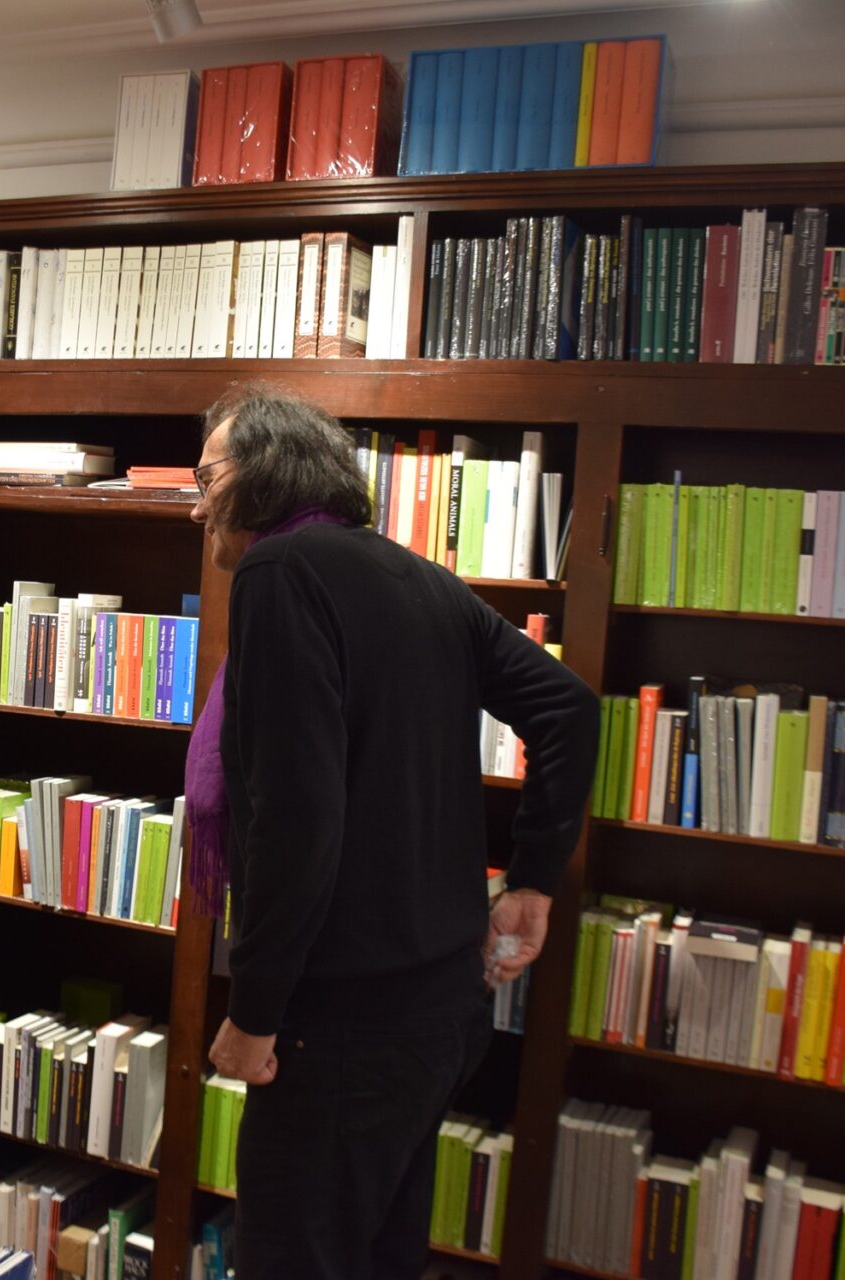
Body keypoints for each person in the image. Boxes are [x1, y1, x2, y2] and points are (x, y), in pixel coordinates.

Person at [186, 388, 600, 1280]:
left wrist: (253, 1013)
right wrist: (531, 882)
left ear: (264, 475)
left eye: (206, 478)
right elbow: (569, 707)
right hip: (440, 1014)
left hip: (338, 1028)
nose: (197, 505)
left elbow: (296, 817)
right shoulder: (420, 578)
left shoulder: (280, 572)